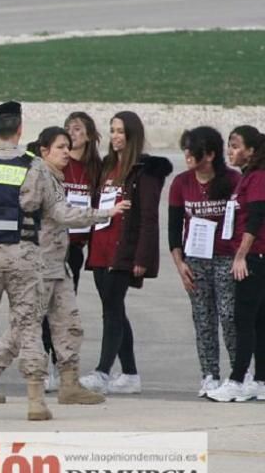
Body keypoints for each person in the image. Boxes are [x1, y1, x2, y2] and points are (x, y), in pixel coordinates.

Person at [0, 101, 89, 422]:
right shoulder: (35, 167)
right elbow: (56, 211)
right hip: (24, 254)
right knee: (28, 325)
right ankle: (36, 401)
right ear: (20, 131)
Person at [0, 127, 126, 407]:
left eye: (68, 146)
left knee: (69, 325)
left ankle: (69, 383)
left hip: (56, 267)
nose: (67, 152)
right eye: (61, 147)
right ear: (44, 151)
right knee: (22, 327)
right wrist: (105, 213)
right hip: (38, 266)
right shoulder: (39, 177)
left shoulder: (53, 177)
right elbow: (62, 214)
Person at [80, 112, 172, 395]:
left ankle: (103, 371)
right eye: (112, 131)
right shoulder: (107, 166)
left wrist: (142, 258)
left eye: (120, 131)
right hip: (100, 247)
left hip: (123, 251)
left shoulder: (144, 171)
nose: (115, 136)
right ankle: (130, 374)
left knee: (112, 309)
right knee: (115, 310)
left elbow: (148, 218)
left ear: (132, 135)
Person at [168, 127, 241, 397]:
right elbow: (174, 228)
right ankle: (209, 374)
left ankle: (238, 372)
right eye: (185, 149)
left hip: (226, 257)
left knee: (229, 314)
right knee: (203, 317)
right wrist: (180, 264)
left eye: (193, 151)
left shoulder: (233, 180)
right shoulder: (181, 183)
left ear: (209, 154)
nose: (187, 155)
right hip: (195, 258)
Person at [207, 132, 265, 402]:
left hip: (253, 257)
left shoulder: (257, 178)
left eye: (235, 146)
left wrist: (241, 256)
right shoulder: (248, 176)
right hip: (253, 255)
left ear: (251, 151)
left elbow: (255, 219)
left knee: (243, 319)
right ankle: (261, 380)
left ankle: (238, 378)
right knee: (258, 320)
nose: (230, 151)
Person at [64, 112, 103, 290]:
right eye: (67, 129)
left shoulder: (96, 169)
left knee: (68, 301)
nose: (71, 133)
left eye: (77, 129)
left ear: (88, 135)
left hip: (76, 244)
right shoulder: (59, 162)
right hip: (53, 241)